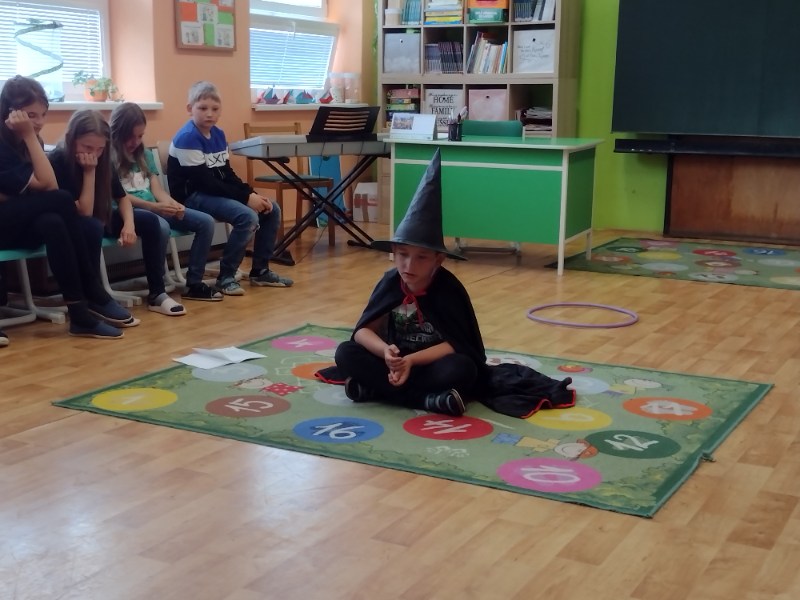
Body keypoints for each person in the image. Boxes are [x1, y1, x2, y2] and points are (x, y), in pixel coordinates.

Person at [333, 149, 576, 418]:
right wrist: (386, 352)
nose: (409, 266)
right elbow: (363, 331)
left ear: (438, 260)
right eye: (402, 255)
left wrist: (411, 361)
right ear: (393, 251)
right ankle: (427, 399)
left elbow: (458, 343)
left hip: (431, 364)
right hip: (394, 362)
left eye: (421, 257)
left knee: (463, 369)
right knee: (345, 353)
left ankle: (377, 390)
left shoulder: (448, 289)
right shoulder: (390, 283)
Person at [0, 75, 124, 339]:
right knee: (63, 201)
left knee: (53, 222)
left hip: (15, 220)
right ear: (10, 112)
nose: (39, 122)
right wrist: (30, 136)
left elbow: (48, 187)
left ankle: (79, 315)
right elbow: (50, 187)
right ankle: (91, 287)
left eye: (43, 115)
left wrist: (30, 138)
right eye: (31, 115)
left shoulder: (29, 141)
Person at [49, 109, 186, 316]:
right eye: (87, 147)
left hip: (103, 215)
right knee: (92, 227)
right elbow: (85, 211)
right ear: (71, 139)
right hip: (76, 223)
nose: (94, 154)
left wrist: (129, 225)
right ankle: (93, 296)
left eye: (100, 148)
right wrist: (89, 171)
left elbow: (122, 198)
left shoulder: (104, 158)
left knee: (150, 221)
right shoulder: (58, 160)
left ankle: (157, 294)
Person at [167, 80, 292, 296]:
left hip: (212, 192)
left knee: (271, 209)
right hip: (192, 196)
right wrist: (245, 199)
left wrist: (251, 193)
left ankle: (260, 271)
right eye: (202, 108)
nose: (209, 114)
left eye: (215, 109)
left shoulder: (218, 134)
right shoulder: (188, 137)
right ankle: (226, 277)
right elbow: (205, 182)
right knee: (247, 217)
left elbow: (226, 174)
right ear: (190, 109)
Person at [109, 102, 221, 302]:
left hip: (155, 207)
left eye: (140, 136)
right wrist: (155, 207)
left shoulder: (143, 154)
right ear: (117, 133)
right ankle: (157, 285)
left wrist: (172, 204)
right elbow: (119, 195)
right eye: (130, 136)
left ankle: (194, 283)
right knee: (160, 226)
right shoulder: (108, 157)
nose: (136, 141)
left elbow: (157, 190)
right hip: (128, 212)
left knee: (205, 222)